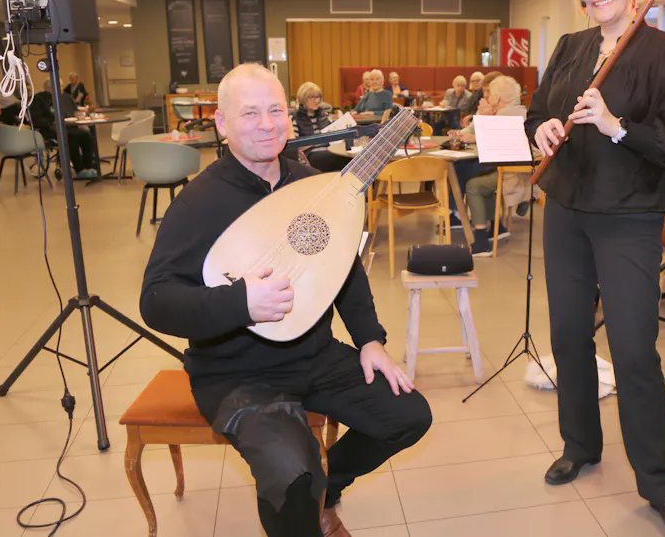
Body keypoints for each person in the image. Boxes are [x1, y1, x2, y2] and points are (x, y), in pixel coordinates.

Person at [140, 63, 432, 537]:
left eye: (276, 110)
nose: (267, 124)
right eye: (250, 113)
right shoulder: (197, 203)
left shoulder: (308, 182)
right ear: (222, 122)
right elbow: (156, 301)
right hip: (236, 373)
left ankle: (325, 489)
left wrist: (370, 341)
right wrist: (241, 303)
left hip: (314, 355)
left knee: (409, 416)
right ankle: (305, 497)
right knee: (290, 472)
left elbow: (346, 270)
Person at [526, 0, 665, 533]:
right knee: (569, 337)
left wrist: (615, 125)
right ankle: (580, 445)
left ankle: (658, 482)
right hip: (567, 208)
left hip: (629, 216)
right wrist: (543, 129)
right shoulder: (572, 47)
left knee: (632, 350)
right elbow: (535, 112)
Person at [450, 76, 527, 255]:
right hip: (514, 167)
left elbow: (489, 147)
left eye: (490, 94)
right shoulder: (518, 110)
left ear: (498, 98)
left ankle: (481, 239)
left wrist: (484, 118)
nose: (487, 98)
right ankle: (496, 227)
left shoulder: (503, 115)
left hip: (511, 172)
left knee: (473, 183)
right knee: (472, 173)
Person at [29, 79, 97, 179]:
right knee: (71, 137)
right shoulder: (39, 100)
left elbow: (69, 113)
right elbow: (37, 119)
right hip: (50, 131)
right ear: (49, 88)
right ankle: (80, 169)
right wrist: (54, 122)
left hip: (66, 127)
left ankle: (88, 166)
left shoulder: (63, 98)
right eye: (59, 86)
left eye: (61, 86)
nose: (61, 88)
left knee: (84, 134)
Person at [291, 81, 347, 173]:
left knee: (351, 158)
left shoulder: (324, 115)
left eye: (318, 97)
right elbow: (294, 147)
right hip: (311, 154)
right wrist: (318, 139)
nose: (317, 101)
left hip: (331, 150)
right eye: (312, 97)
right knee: (338, 158)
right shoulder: (295, 118)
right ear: (303, 99)